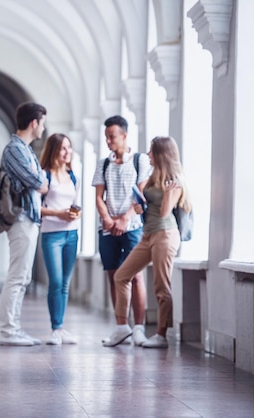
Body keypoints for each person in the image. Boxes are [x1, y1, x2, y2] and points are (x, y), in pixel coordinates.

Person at [104, 136, 191, 348]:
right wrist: (140, 207)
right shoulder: (153, 177)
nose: (148, 155)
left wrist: (170, 194)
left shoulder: (175, 182)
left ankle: (161, 335)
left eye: (151, 151)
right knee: (122, 276)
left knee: (162, 286)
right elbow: (149, 208)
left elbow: (163, 213)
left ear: (161, 154)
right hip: (148, 235)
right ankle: (122, 327)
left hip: (165, 235)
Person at [92, 115, 151, 347]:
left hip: (132, 227)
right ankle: (120, 327)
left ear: (124, 135)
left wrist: (125, 219)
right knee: (114, 276)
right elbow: (98, 197)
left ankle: (138, 328)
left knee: (135, 276)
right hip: (108, 229)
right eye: (106, 137)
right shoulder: (103, 163)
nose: (108, 141)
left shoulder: (140, 161)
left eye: (112, 136)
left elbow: (142, 196)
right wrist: (108, 219)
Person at [0, 102, 49, 346]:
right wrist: (40, 180)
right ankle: (9, 330)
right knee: (17, 275)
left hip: (29, 218)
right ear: (34, 123)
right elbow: (37, 180)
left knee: (23, 276)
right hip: (21, 219)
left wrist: (40, 180)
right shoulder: (15, 149)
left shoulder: (25, 150)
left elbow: (40, 180)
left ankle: (14, 328)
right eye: (43, 123)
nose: (44, 129)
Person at [39, 133, 81, 345]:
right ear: (54, 150)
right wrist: (59, 214)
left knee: (65, 284)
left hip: (71, 234)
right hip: (51, 234)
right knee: (55, 282)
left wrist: (74, 214)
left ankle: (61, 327)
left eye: (69, 148)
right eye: (63, 148)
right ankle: (55, 329)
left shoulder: (73, 175)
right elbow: (35, 208)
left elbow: (74, 203)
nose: (68, 152)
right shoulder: (45, 176)